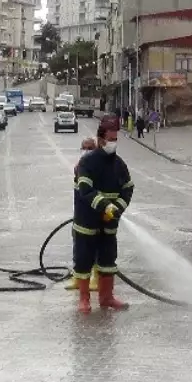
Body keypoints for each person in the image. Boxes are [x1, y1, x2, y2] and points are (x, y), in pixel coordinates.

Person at [72, 120, 134, 313]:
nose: (113, 143)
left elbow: (128, 188)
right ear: (100, 139)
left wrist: (117, 209)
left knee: (108, 261)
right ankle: (84, 299)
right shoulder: (87, 162)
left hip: (109, 225)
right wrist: (105, 206)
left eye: (116, 139)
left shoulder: (119, 164)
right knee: (83, 261)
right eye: (110, 139)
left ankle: (107, 298)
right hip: (87, 222)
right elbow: (85, 189)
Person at [66, 137, 101, 292]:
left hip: (94, 217)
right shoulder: (79, 167)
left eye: (89, 148)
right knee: (78, 249)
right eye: (84, 148)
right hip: (79, 215)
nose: (86, 151)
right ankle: (77, 277)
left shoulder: (99, 167)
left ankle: (96, 277)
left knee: (95, 248)